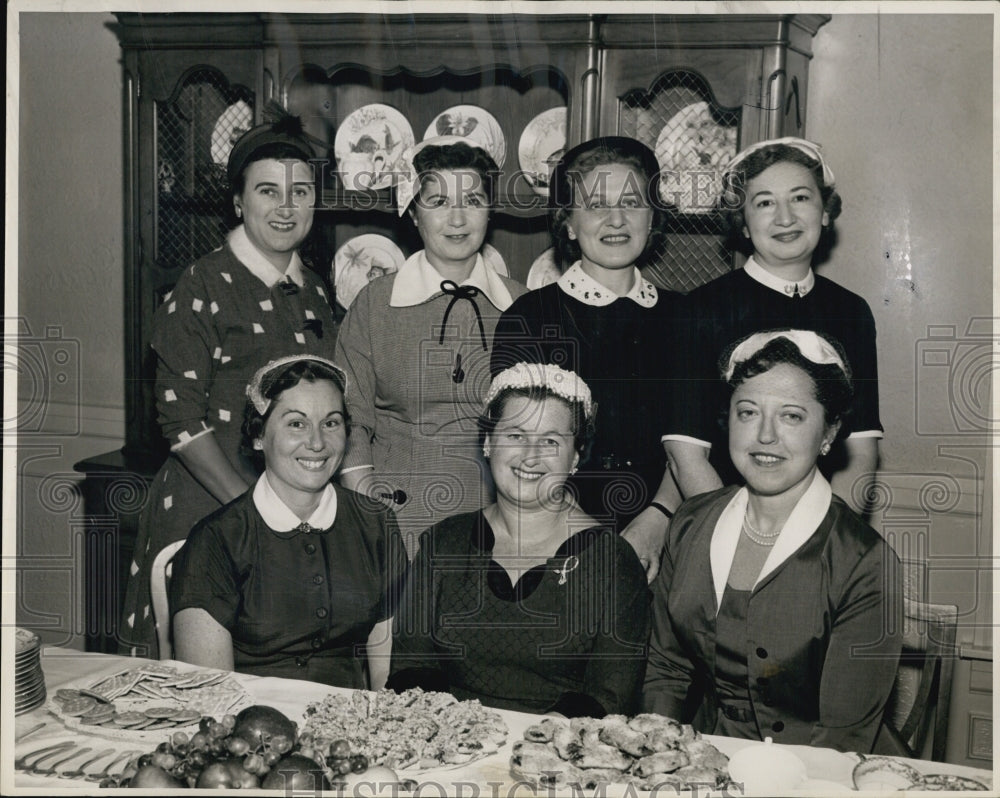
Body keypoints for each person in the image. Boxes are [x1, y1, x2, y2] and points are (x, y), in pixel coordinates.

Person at [120, 115, 339, 658]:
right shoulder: (202, 284)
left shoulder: (314, 290)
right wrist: (254, 508)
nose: (286, 207)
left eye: (300, 192)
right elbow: (181, 420)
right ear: (238, 202)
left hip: (288, 511)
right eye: (268, 191)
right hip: (210, 507)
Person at [644, 331, 901, 753]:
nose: (764, 436)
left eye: (791, 417)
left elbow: (842, 736)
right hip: (703, 757)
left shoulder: (863, 561)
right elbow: (666, 671)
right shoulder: (690, 524)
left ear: (828, 433)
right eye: (748, 412)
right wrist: (659, 759)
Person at [389, 363, 649, 717]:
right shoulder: (444, 542)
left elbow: (608, 694)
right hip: (447, 745)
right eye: (515, 435)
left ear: (575, 457)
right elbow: (410, 669)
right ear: (488, 442)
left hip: (559, 755)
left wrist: (534, 748)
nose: (531, 455)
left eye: (551, 441)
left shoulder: (613, 561)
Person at [490, 136, 683, 580]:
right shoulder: (531, 316)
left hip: (667, 533)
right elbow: (524, 447)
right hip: (553, 535)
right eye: (596, 205)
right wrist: (591, 538)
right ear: (569, 223)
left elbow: (695, 443)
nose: (616, 220)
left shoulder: (684, 317)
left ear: (652, 217)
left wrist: (658, 519)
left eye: (632, 203)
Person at [664, 137, 882, 515]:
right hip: (723, 523)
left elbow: (861, 453)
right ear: (744, 225)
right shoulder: (700, 310)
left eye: (800, 198)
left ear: (825, 211)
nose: (785, 218)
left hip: (822, 529)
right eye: (764, 203)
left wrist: (825, 541)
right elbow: (687, 457)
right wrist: (738, 540)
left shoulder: (851, 311)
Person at [335, 137, 527, 555]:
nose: (457, 218)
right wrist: (370, 511)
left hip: (495, 517)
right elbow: (349, 418)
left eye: (472, 199)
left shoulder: (521, 305)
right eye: (437, 201)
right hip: (393, 517)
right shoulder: (374, 303)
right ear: (414, 214)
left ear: (489, 211)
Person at [170, 356, 407, 689]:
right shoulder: (215, 540)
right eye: (296, 423)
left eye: (331, 423)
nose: (317, 442)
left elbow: (387, 676)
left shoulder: (376, 524)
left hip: (348, 725)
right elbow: (209, 692)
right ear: (258, 436)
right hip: (249, 725)